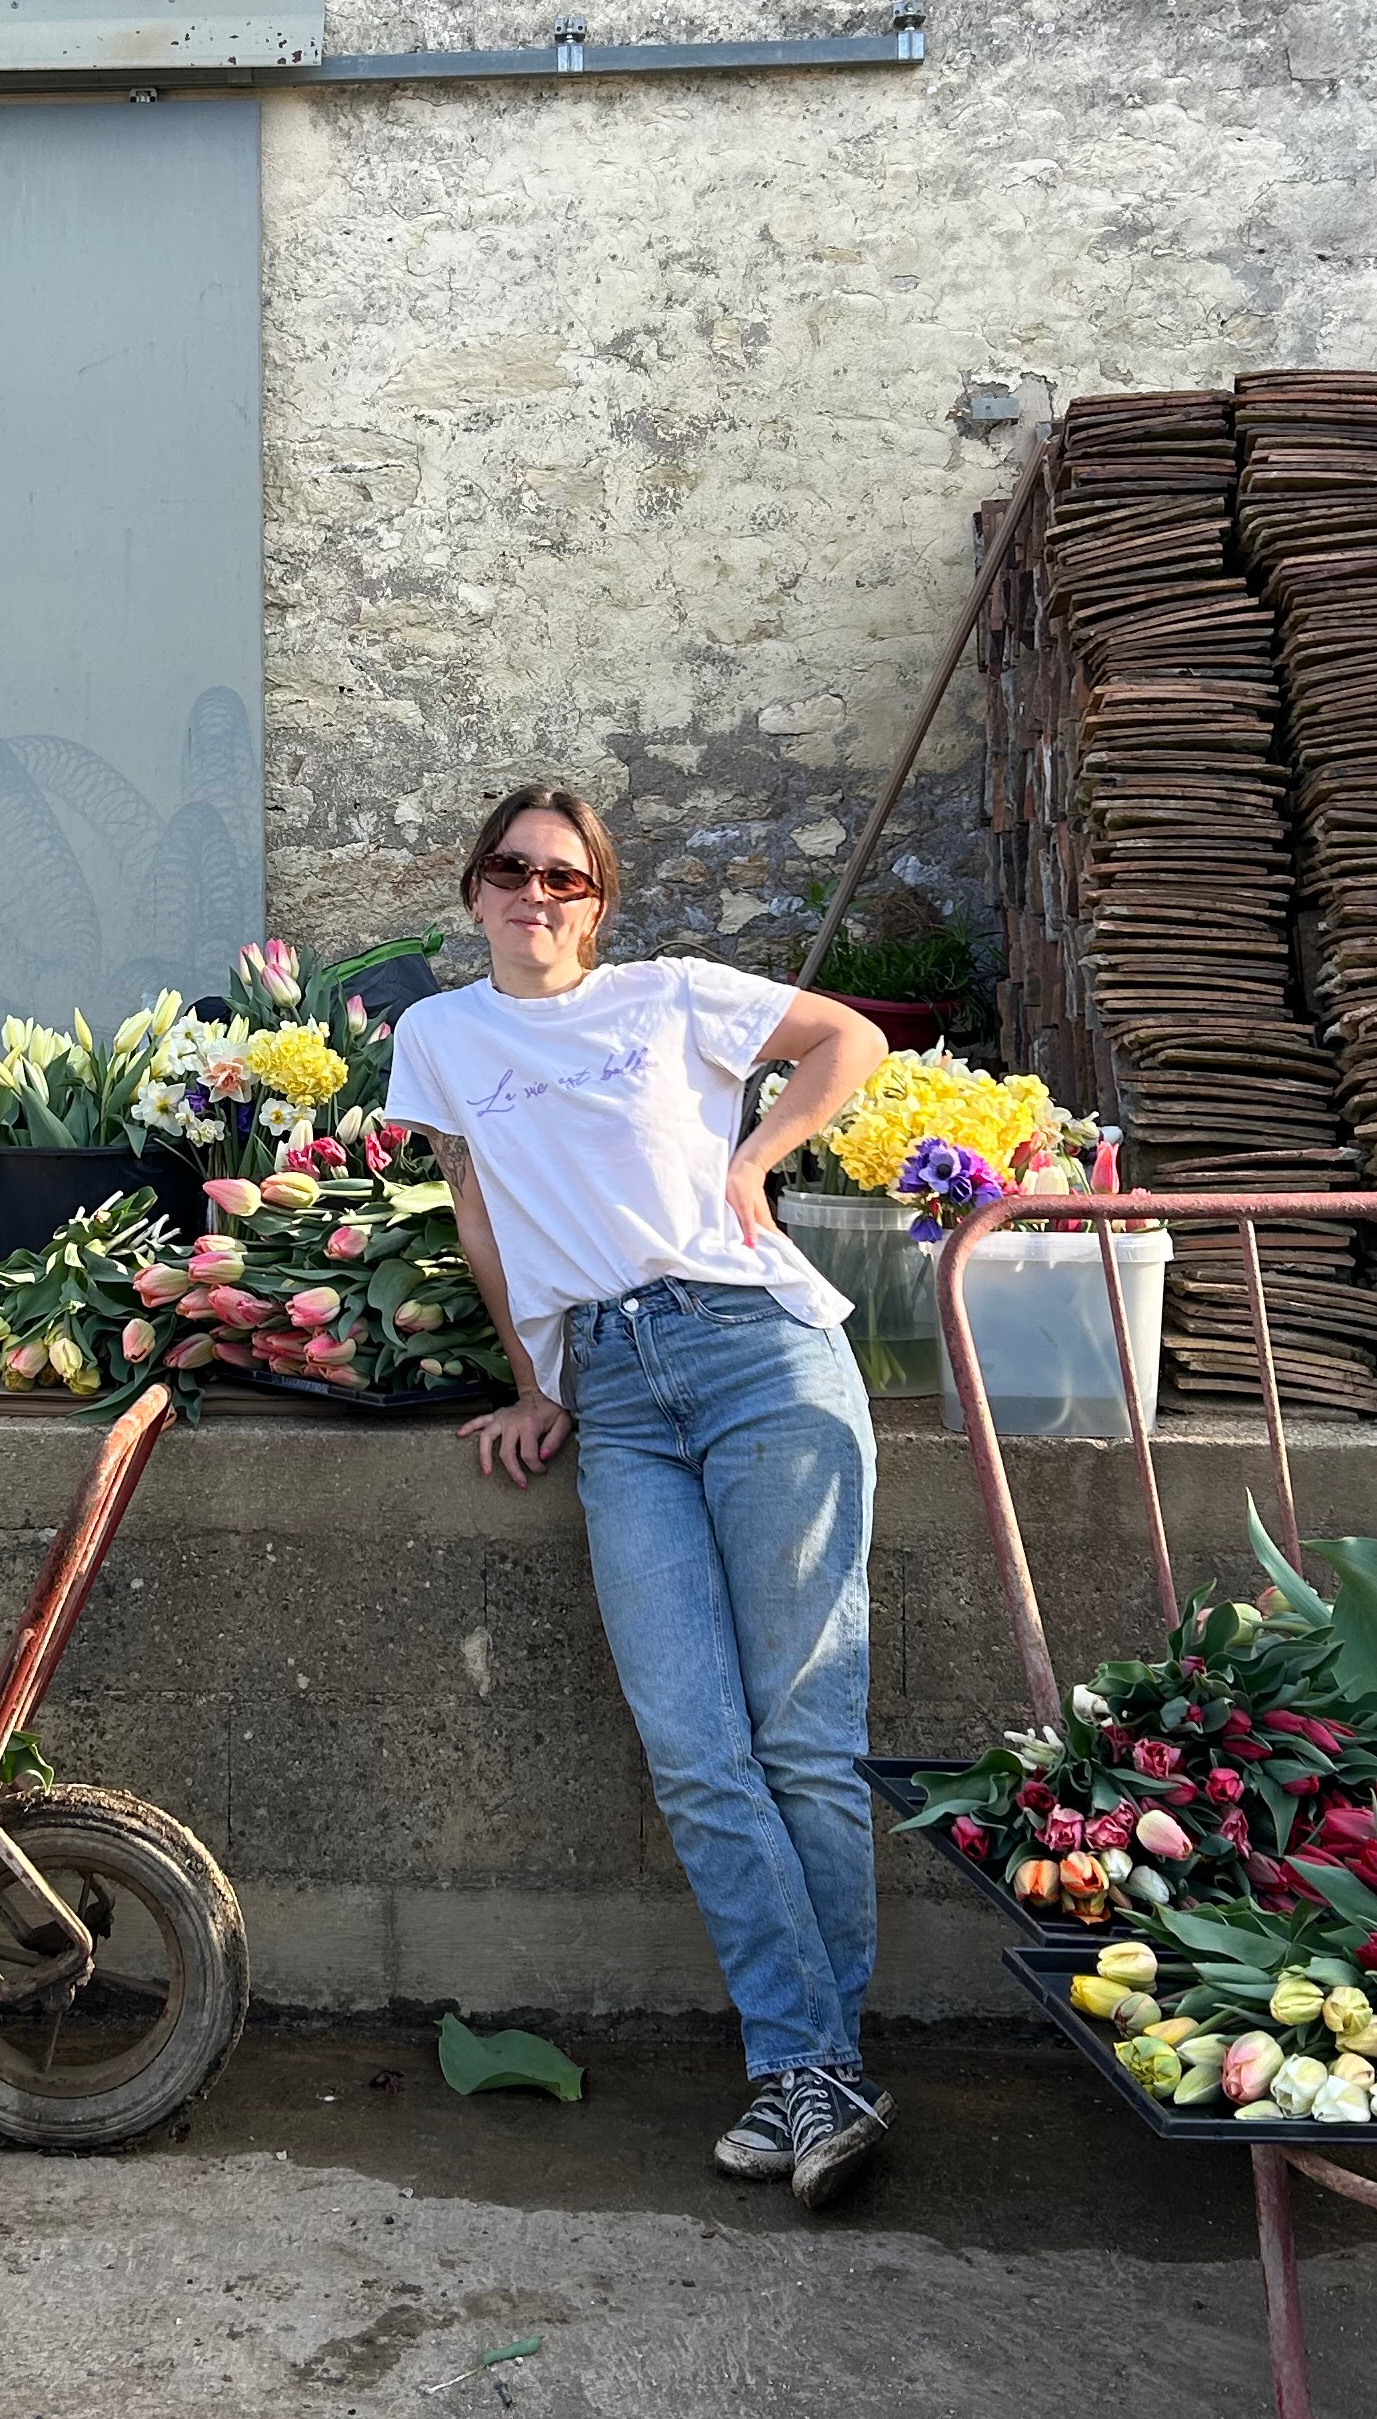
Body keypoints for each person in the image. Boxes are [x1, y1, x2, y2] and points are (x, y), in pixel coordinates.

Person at [383, 785, 892, 2211]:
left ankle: (804, 2067)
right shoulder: (437, 1034)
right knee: (690, 1740)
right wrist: (538, 1380)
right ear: (471, 888)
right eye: (507, 869)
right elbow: (481, 1215)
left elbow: (843, 1037)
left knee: (799, 1729)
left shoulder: (670, 994)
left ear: (596, 901)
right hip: (610, 1388)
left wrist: (750, 1156)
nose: (532, 893)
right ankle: (824, 2072)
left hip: (756, 1354)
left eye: (563, 876)